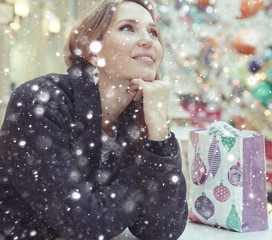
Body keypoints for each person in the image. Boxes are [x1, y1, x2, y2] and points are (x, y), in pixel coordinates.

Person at [0, 0, 188, 239]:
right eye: (127, 28)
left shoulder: (135, 121)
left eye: (153, 32)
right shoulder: (39, 102)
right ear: (92, 50)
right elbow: (85, 225)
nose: (148, 40)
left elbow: (163, 229)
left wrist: (159, 133)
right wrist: (143, 174)